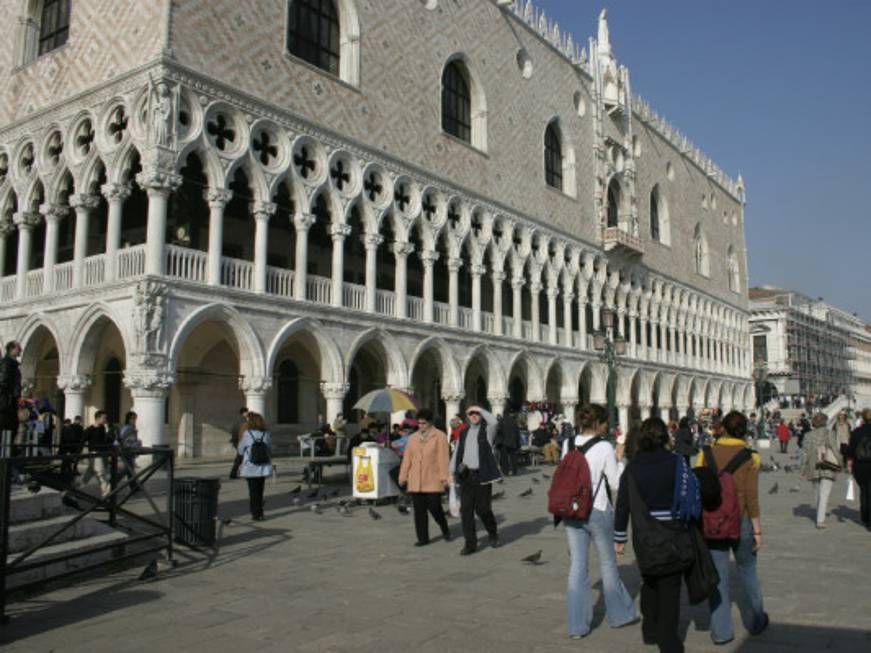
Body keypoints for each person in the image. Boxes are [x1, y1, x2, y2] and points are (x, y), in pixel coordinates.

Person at [614, 417, 698, 653]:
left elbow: (622, 506)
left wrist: (619, 538)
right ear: (665, 438)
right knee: (670, 588)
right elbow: (691, 496)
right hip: (673, 535)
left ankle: (650, 630)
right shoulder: (678, 463)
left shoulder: (633, 468)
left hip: (645, 537)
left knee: (650, 579)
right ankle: (668, 641)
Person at [561, 404, 636, 639]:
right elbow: (616, 483)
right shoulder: (604, 446)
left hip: (572, 511)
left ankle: (576, 626)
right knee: (607, 563)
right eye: (605, 423)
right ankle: (619, 615)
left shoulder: (568, 443)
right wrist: (620, 459)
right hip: (598, 509)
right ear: (599, 423)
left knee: (577, 567)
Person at [695, 411, 769, 645]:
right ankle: (756, 620)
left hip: (713, 522)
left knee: (718, 577)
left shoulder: (705, 454)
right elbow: (751, 497)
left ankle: (721, 632)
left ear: (723, 429)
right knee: (748, 572)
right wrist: (757, 530)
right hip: (743, 521)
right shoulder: (752, 457)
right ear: (744, 430)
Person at [450, 405, 501, 555]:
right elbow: (457, 452)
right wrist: (451, 472)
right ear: (467, 416)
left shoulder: (487, 431)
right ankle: (470, 544)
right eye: (471, 413)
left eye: (476, 413)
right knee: (466, 511)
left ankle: (492, 532)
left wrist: (480, 408)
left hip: (482, 475)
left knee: (483, 509)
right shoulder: (464, 432)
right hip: (466, 475)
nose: (474, 415)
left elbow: (494, 422)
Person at [398, 408, 451, 546]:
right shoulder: (413, 438)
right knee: (419, 511)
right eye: (419, 423)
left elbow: (443, 458)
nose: (421, 426)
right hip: (416, 479)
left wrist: (444, 477)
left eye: (424, 423)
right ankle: (423, 538)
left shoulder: (440, 436)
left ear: (430, 422)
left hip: (433, 477)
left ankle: (444, 527)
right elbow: (407, 459)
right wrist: (403, 475)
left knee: (435, 507)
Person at [800, 412, 840, 530]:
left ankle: (820, 514)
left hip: (814, 466)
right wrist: (840, 461)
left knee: (817, 492)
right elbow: (835, 449)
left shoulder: (808, 435)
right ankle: (820, 519)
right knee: (824, 493)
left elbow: (804, 454)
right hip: (828, 465)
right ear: (825, 421)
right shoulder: (830, 433)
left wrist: (803, 469)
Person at [237, 412, 272, 521]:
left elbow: (240, 450)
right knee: (260, 490)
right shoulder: (265, 434)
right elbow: (269, 449)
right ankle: (260, 513)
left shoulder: (247, 434)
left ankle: (255, 514)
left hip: (250, 467)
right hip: (262, 466)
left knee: (253, 491)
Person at [848, 409, 871, 530]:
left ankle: (865, 517)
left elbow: (851, 450)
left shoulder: (856, 432)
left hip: (860, 466)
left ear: (862, 418)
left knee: (864, 491)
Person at [0, 341, 22, 458]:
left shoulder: (12, 364)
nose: (21, 349)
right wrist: (8, 399)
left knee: (12, 428)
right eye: (19, 348)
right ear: (12, 349)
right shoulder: (7, 364)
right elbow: (3, 383)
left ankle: (7, 458)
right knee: (7, 428)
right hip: (6, 405)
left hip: (10, 403)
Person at [81, 411, 112, 495]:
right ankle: (106, 493)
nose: (105, 420)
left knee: (89, 474)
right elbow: (82, 440)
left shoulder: (102, 428)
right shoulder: (90, 430)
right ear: (98, 418)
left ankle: (74, 490)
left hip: (101, 454)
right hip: (94, 454)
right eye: (104, 418)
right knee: (101, 473)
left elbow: (105, 441)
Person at [118, 411, 143, 490]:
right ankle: (112, 481)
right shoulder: (126, 428)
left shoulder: (132, 427)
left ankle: (133, 486)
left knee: (130, 469)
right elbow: (122, 438)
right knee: (128, 469)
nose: (134, 420)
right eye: (133, 419)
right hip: (126, 450)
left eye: (135, 419)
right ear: (129, 419)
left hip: (130, 450)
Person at [495, 409, 521, 476]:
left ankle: (505, 472)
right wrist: (518, 443)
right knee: (513, 457)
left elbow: (498, 431)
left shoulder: (501, 421)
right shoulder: (514, 421)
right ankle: (514, 471)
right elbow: (517, 433)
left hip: (504, 442)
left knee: (504, 458)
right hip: (513, 442)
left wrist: (497, 442)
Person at [229, 407, 248, 479]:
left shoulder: (239, 421)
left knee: (239, 459)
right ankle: (233, 474)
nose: (247, 413)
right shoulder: (243, 422)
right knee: (240, 459)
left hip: (238, 442)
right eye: (246, 412)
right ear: (243, 413)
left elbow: (233, 431)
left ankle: (234, 474)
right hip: (241, 442)